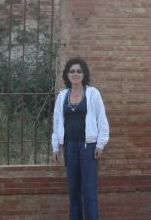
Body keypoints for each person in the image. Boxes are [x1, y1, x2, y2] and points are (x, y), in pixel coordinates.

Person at [52, 57, 109, 220]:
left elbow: (102, 119)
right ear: (67, 74)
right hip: (69, 146)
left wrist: (100, 144)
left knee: (89, 191)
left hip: (88, 147)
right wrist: (55, 146)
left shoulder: (93, 93)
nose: (75, 74)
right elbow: (57, 121)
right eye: (72, 71)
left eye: (79, 71)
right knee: (74, 191)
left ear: (84, 74)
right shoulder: (62, 96)